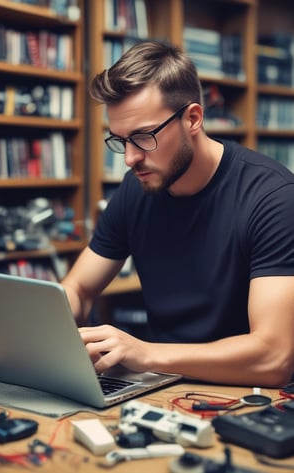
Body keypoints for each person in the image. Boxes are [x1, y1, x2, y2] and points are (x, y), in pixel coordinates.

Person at [61, 40, 294, 388]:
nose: (129, 158)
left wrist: (146, 354)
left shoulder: (273, 198)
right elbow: (79, 287)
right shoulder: (134, 189)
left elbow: (274, 357)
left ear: (193, 119)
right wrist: (40, 330)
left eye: (143, 137)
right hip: (160, 386)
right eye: (120, 140)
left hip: (248, 397)